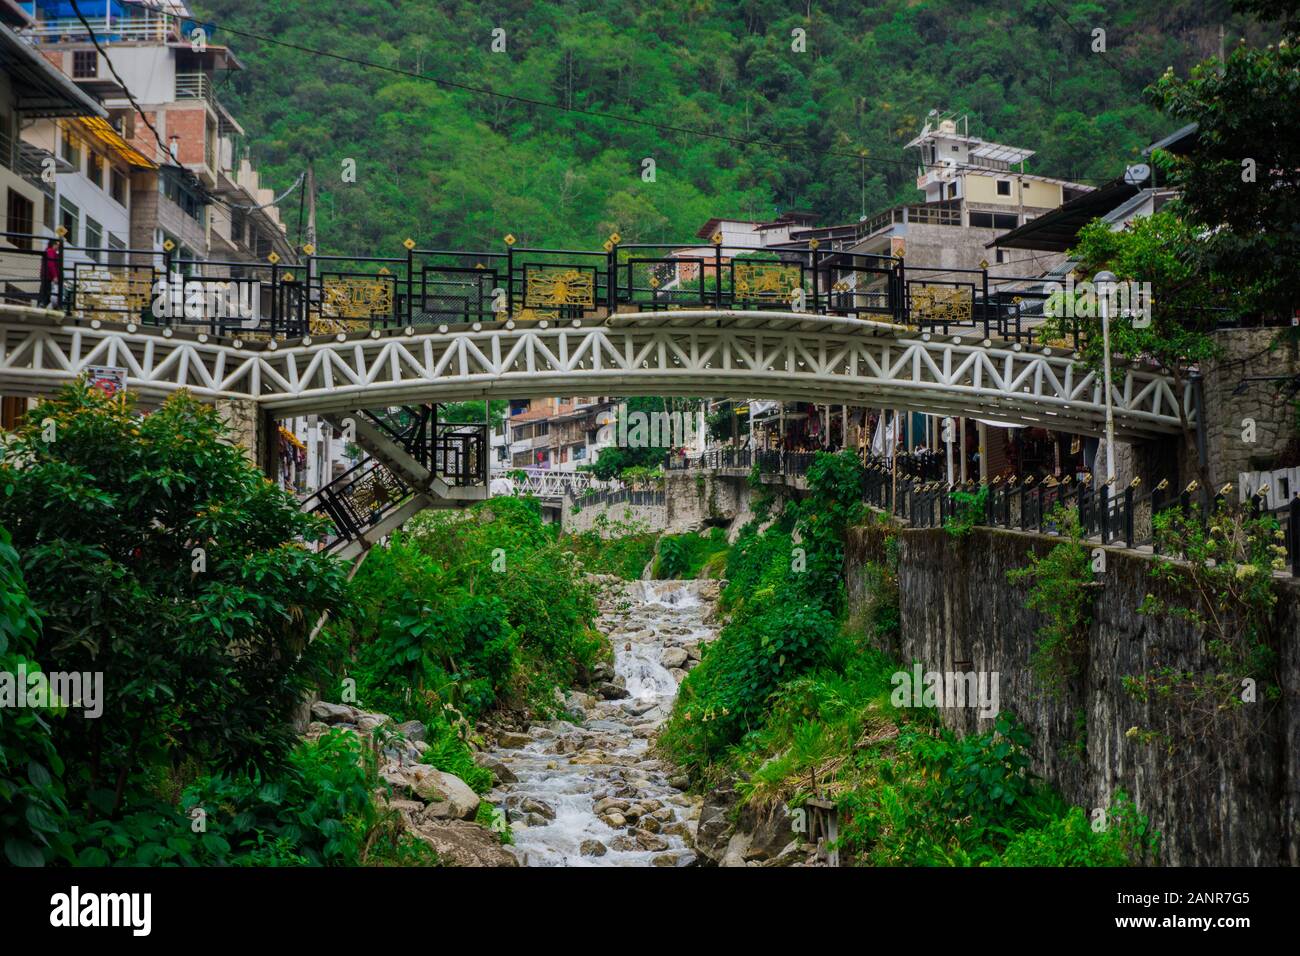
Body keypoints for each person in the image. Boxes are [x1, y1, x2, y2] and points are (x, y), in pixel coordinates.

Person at [38, 238, 61, 309]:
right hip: (48, 276)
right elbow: (51, 264)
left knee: (46, 292)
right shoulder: (50, 251)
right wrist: (55, 276)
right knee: (46, 292)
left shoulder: (49, 251)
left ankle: (41, 305)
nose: (58, 246)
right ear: (54, 244)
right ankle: (41, 305)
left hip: (47, 276)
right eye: (58, 245)